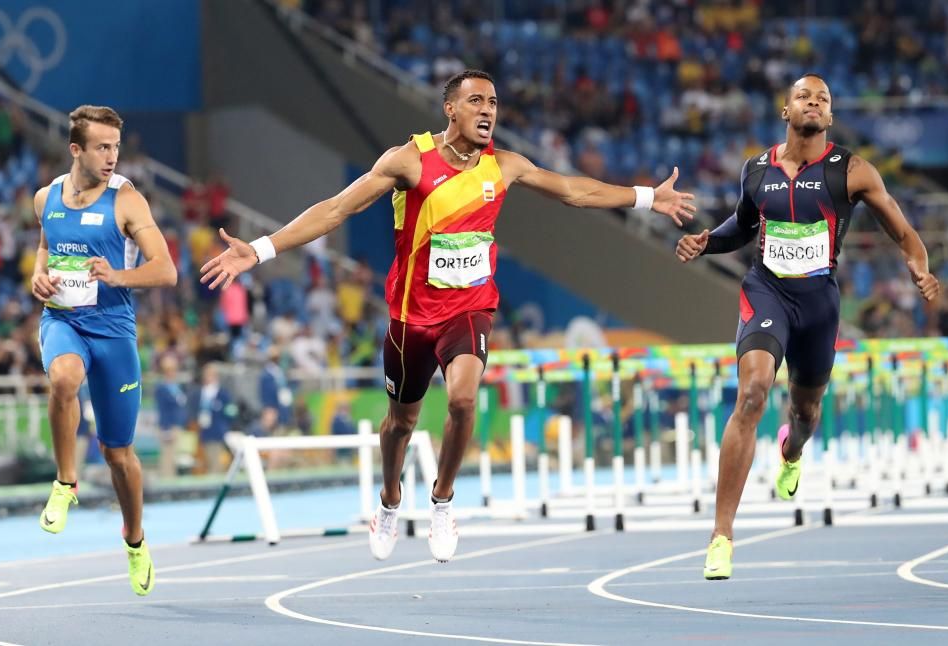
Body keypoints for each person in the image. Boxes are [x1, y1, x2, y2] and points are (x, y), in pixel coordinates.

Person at [201, 69, 695, 562]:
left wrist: (649, 197)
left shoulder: (504, 165)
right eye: (477, 101)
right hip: (411, 318)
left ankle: (442, 499)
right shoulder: (409, 161)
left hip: (470, 309)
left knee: (463, 400)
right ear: (450, 109)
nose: (488, 111)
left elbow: (574, 191)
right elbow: (336, 209)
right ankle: (390, 501)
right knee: (400, 424)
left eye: (494, 103)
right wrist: (261, 249)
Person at [674, 74, 940, 580]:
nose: (813, 102)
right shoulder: (757, 169)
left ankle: (791, 453)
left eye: (822, 98)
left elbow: (902, 231)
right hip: (766, 291)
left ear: (830, 116)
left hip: (819, 303)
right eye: (803, 95)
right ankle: (721, 537)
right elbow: (743, 226)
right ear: (786, 110)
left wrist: (920, 266)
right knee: (752, 392)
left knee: (805, 412)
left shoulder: (852, 170)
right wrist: (706, 241)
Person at [31, 105, 177, 596]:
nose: (113, 156)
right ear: (77, 149)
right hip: (64, 322)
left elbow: (165, 270)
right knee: (64, 379)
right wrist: (37, 274)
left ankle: (135, 541)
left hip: (114, 333)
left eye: (116, 146)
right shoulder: (45, 198)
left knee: (119, 456)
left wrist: (119, 275)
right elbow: (45, 245)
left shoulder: (127, 201)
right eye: (102, 147)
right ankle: (65, 482)